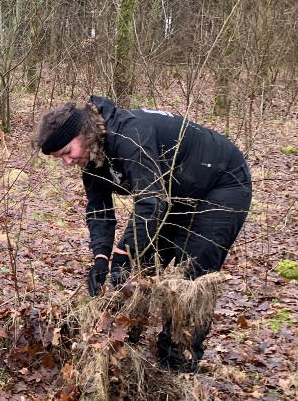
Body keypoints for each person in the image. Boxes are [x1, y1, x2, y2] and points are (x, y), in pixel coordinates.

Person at [36, 95, 252, 372]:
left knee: (192, 278)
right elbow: (98, 208)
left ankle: (178, 365)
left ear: (83, 133)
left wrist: (123, 252)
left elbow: (151, 202)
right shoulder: (93, 153)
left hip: (220, 185)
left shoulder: (130, 135)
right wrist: (101, 258)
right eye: (60, 158)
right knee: (140, 267)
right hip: (174, 193)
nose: (67, 161)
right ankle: (123, 344)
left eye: (67, 151)